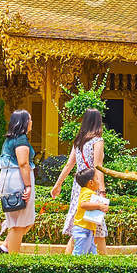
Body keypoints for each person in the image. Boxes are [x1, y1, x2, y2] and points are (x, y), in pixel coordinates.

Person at [52, 108, 107, 254]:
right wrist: (102, 191)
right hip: (92, 185)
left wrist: (58, 184)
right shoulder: (98, 141)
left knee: (79, 223)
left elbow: (69, 165)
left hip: (79, 186)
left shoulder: (78, 142)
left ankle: (68, 259)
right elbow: (98, 167)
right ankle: (105, 262)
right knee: (97, 224)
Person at [0, 108, 35, 254]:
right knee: (19, 224)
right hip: (18, 180)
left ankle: (5, 247)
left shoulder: (11, 139)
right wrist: (28, 186)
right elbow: (23, 163)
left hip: (9, 179)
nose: (31, 122)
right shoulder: (21, 139)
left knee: (22, 222)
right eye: (29, 119)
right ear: (23, 122)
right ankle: (13, 260)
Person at [69, 165, 109, 256]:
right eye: (97, 179)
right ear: (91, 182)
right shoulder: (88, 192)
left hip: (87, 229)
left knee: (92, 254)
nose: (98, 182)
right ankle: (74, 265)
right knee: (79, 254)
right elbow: (83, 204)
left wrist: (101, 207)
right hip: (83, 229)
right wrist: (99, 206)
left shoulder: (86, 192)